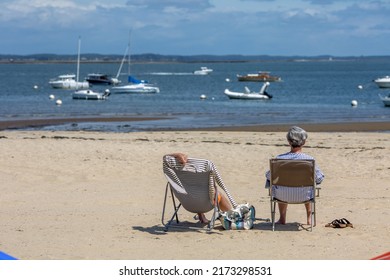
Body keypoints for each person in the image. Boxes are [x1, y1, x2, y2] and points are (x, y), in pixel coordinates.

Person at [265, 126, 324, 225]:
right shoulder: (309, 160)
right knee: (309, 185)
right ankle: (309, 218)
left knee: (279, 186)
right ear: (304, 142)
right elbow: (319, 178)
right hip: (304, 196)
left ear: (289, 141)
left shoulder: (279, 159)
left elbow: (268, 176)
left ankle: (282, 219)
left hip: (282, 196)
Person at [167, 153, 233, 224]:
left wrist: (176, 155)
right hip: (206, 205)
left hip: (187, 203)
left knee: (193, 189)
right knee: (216, 194)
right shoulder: (208, 165)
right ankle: (232, 218)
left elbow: (165, 158)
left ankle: (201, 215)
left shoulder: (172, 171)